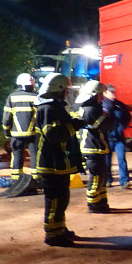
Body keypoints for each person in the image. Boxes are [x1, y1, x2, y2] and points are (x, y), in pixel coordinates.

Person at [34, 73, 85, 247]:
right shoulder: (48, 108)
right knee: (55, 199)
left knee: (62, 198)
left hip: (58, 162)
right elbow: (53, 135)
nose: (68, 94)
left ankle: (60, 228)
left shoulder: (54, 107)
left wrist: (73, 122)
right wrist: (73, 126)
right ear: (59, 90)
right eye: (67, 90)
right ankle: (53, 235)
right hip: (51, 163)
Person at [75, 80, 113, 213]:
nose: (102, 97)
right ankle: (93, 204)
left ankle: (101, 202)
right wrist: (107, 114)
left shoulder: (83, 107)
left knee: (101, 178)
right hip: (93, 148)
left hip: (93, 147)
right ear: (94, 95)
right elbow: (107, 125)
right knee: (96, 178)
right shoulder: (92, 110)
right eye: (101, 95)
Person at [2, 73, 38, 182]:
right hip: (33, 133)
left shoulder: (12, 97)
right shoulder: (36, 96)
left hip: (16, 134)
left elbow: (6, 117)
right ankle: (36, 179)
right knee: (35, 154)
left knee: (17, 154)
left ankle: (16, 179)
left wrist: (6, 130)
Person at [102, 84, 132, 188]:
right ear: (105, 93)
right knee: (106, 161)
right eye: (111, 92)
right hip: (107, 138)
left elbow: (128, 117)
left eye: (114, 92)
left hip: (119, 138)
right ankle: (107, 180)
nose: (113, 94)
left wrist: (123, 126)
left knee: (122, 160)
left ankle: (124, 181)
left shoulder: (120, 105)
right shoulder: (102, 105)